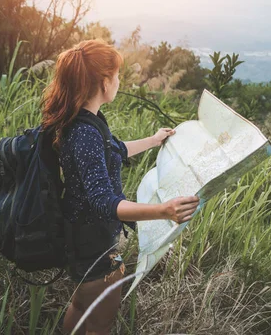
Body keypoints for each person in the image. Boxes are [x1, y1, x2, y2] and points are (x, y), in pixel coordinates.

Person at [41, 39, 199, 334]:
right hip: (94, 243)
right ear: (104, 82)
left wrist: (153, 140)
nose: (119, 81)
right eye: (117, 75)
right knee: (100, 323)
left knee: (80, 305)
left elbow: (112, 150)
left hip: (82, 235)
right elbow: (105, 201)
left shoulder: (85, 120)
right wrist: (165, 210)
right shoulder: (85, 132)